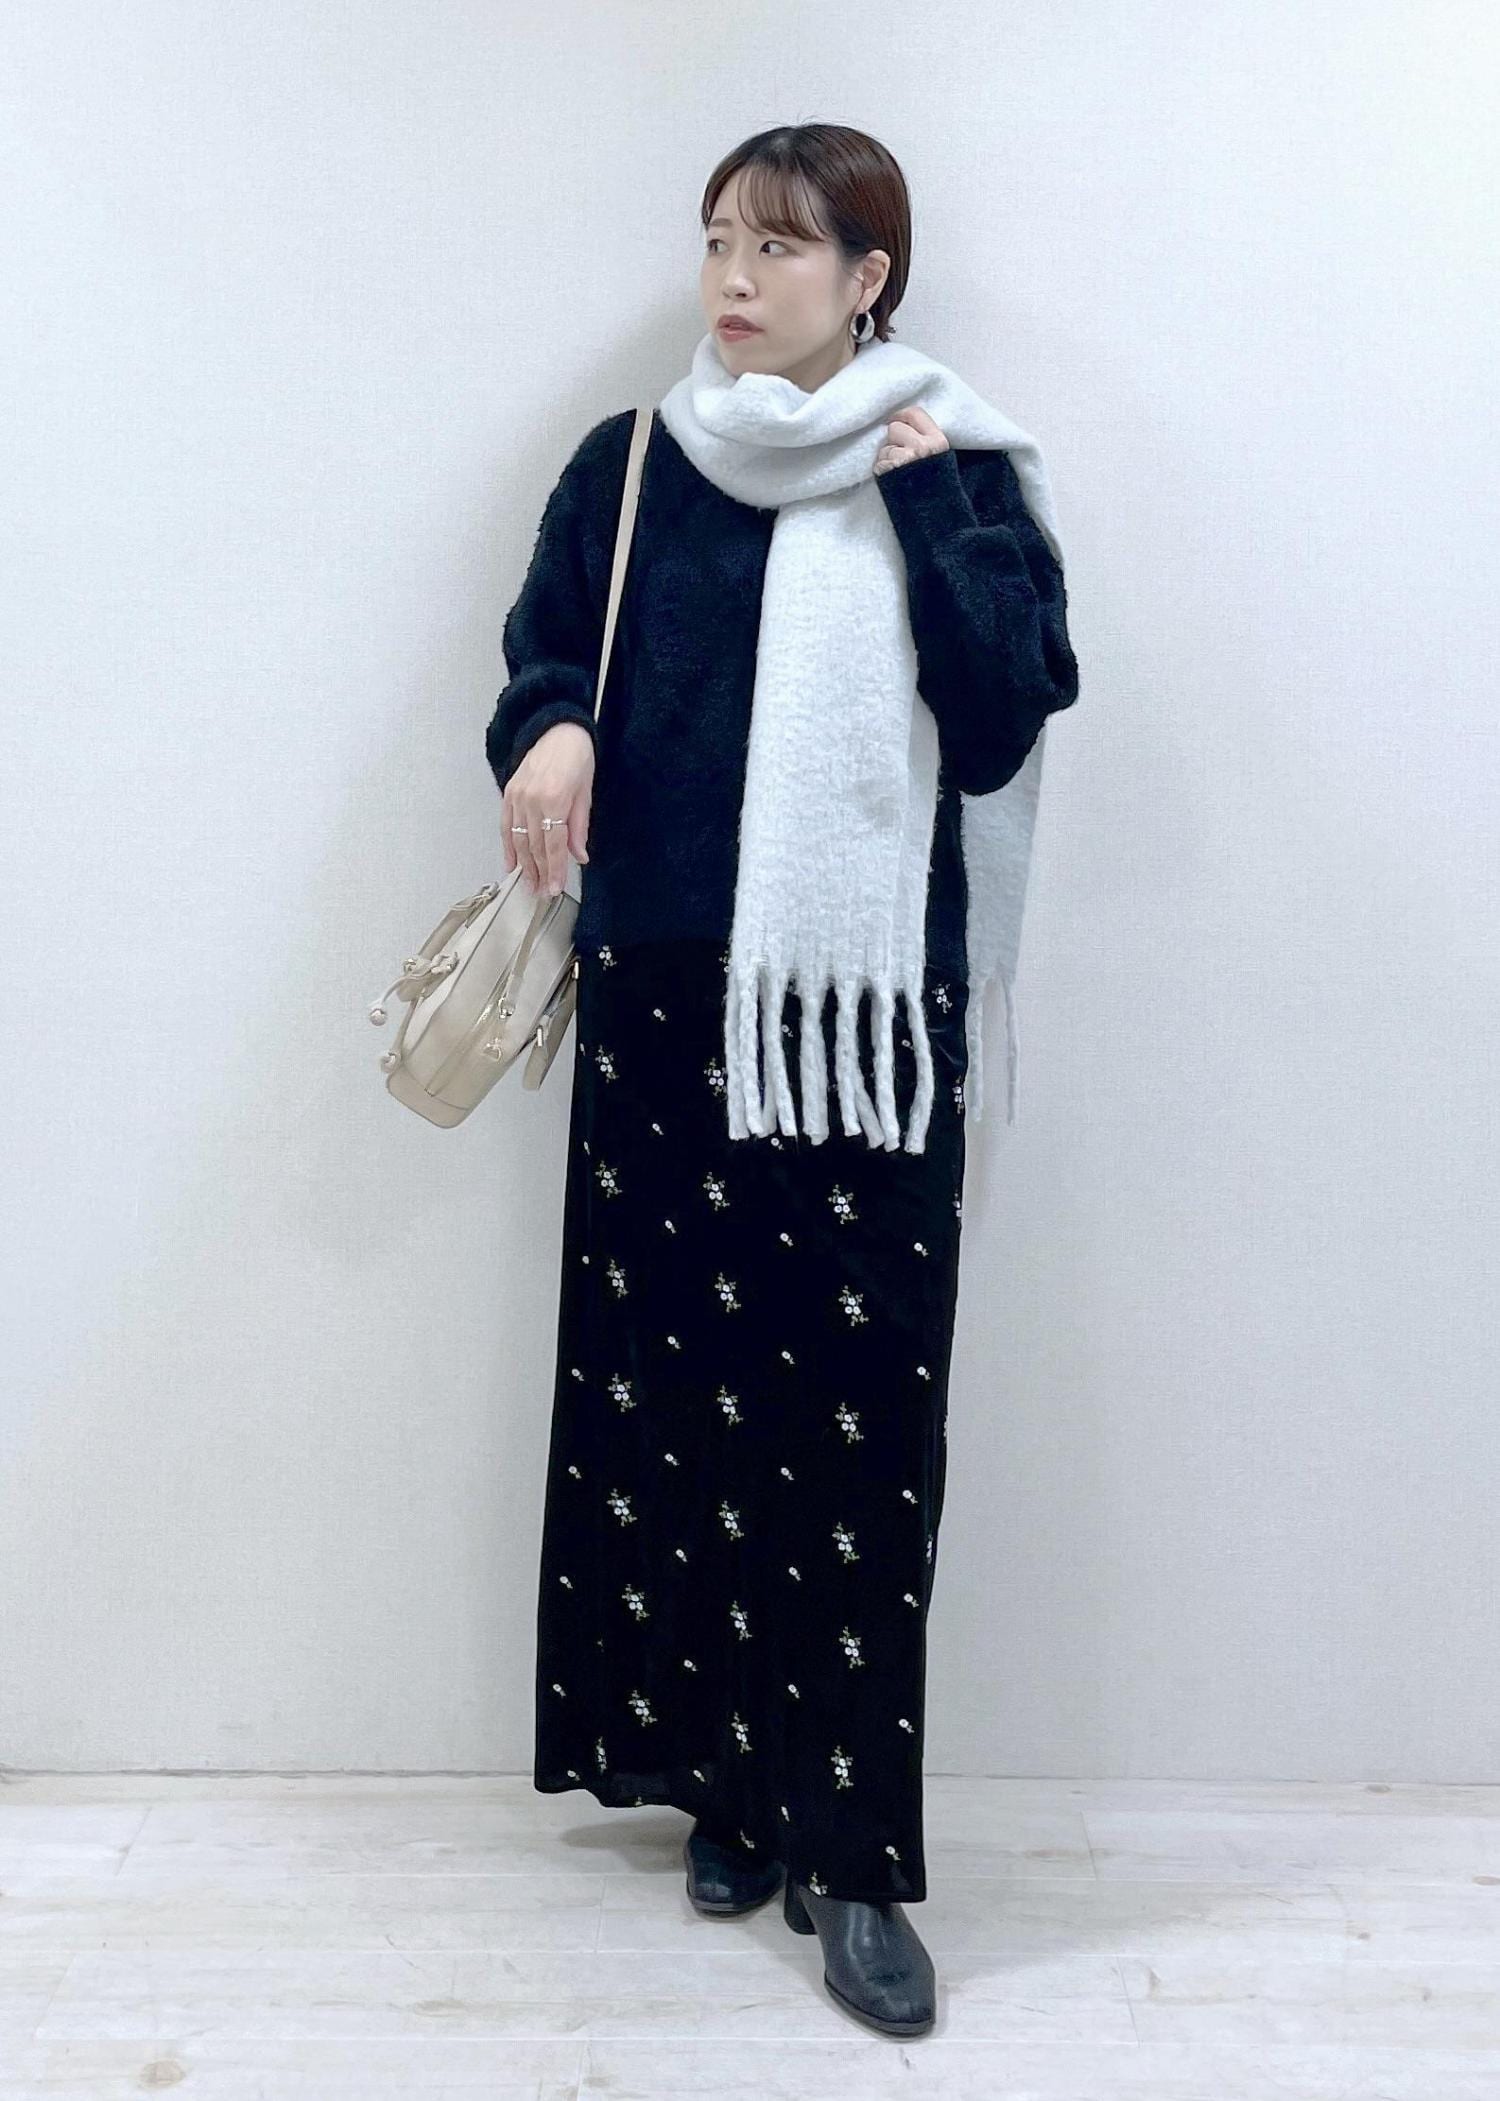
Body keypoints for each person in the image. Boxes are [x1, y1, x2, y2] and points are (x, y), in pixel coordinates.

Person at [485, 122, 1079, 2041]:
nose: (736, 280)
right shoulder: (634, 462)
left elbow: (1006, 711)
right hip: (667, 1003)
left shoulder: (950, 459)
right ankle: (728, 1793)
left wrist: (922, 513)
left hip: (862, 1026)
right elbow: (544, 651)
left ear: (869, 276)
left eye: (782, 247)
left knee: (858, 1432)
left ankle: (858, 1853)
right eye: (719, 241)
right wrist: (551, 731)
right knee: (681, 1405)